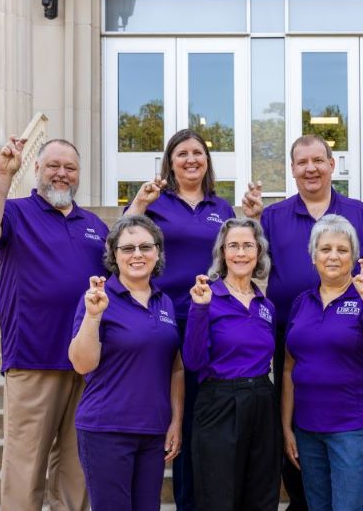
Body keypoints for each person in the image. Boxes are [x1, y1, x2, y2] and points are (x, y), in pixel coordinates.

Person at [123, 129, 262, 511]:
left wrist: (250, 218)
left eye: (198, 153)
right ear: (170, 161)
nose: (191, 160)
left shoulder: (221, 207)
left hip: (210, 320)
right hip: (163, 318)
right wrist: (138, 201)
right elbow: (120, 241)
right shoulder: (156, 204)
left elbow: (239, 253)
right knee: (171, 417)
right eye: (182, 153)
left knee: (201, 419)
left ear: (207, 161)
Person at [0, 137, 108, 511]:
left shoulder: (93, 225)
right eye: (54, 166)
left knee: (76, 469)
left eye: (70, 168)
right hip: (33, 356)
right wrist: (2, 174)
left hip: (87, 362)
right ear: (38, 170)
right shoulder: (15, 212)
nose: (62, 174)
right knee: (25, 464)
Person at [260, 134, 363, 510]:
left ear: (333, 165)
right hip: (293, 334)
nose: (311, 168)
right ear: (292, 169)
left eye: (318, 160)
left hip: (350, 341)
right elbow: (251, 265)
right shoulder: (273, 216)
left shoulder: (360, 213)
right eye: (302, 162)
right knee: (303, 466)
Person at [281, 214, 363, 511]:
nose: (333, 256)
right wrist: (287, 426)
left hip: (353, 426)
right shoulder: (301, 302)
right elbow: (288, 368)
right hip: (308, 427)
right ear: (313, 256)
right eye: (325, 249)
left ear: (354, 257)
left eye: (342, 250)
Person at [69, 215, 184, 511]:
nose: (137, 255)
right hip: (106, 428)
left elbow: (176, 368)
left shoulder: (165, 302)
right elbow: (82, 364)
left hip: (152, 430)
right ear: (114, 255)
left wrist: (176, 421)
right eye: (128, 248)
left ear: (157, 252)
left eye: (146, 247)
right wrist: (93, 317)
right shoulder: (98, 298)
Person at [183, 217, 281, 511]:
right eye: (233, 246)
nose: (241, 253)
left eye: (248, 246)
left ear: (259, 252)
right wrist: (200, 310)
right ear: (222, 253)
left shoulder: (266, 305)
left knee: (262, 495)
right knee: (218, 497)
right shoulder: (207, 297)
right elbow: (193, 360)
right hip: (219, 402)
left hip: (262, 400)